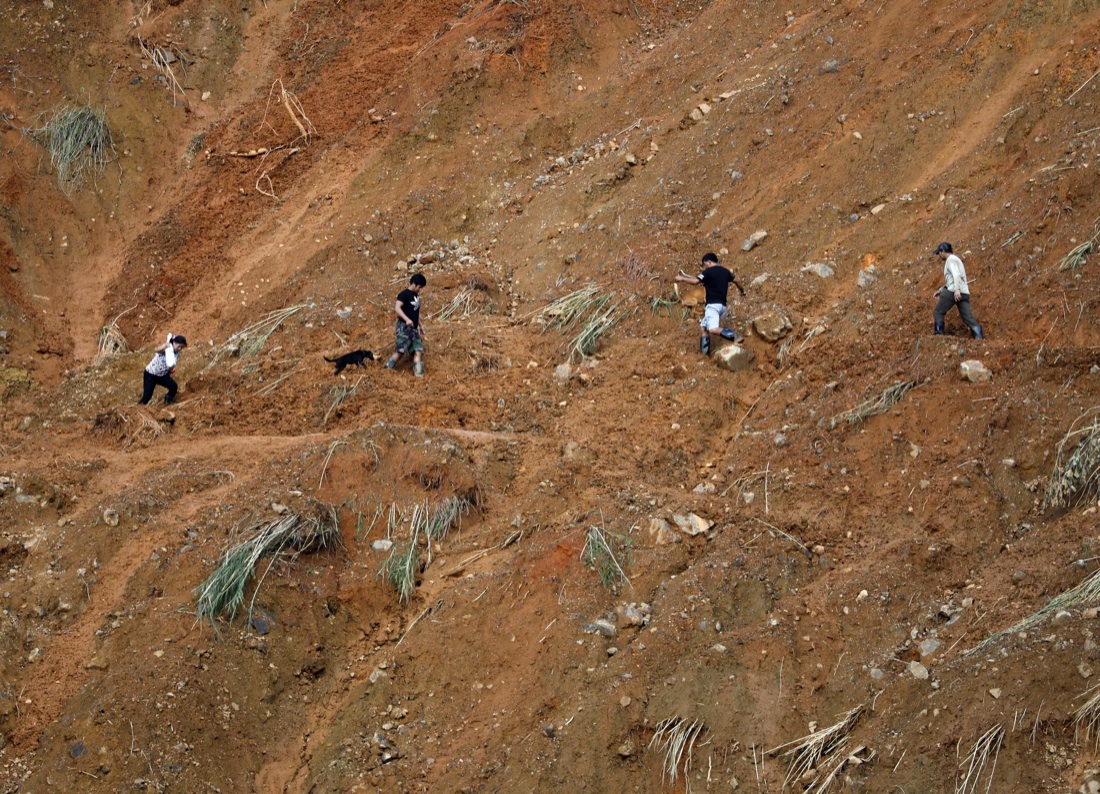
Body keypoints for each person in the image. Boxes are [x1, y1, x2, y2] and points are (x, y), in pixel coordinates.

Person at [673, 252, 746, 355]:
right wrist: (742, 292)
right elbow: (737, 280)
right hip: (722, 306)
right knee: (704, 328)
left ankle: (736, 336)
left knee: (713, 329)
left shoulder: (708, 272)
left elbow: (695, 281)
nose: (704, 267)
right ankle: (705, 354)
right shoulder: (725, 272)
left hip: (712, 305)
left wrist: (682, 278)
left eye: (704, 264)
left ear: (708, 262)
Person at [932, 242, 983, 339]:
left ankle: (938, 336)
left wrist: (956, 290)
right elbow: (953, 279)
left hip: (953, 291)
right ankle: (979, 338)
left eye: (939, 253)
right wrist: (941, 289)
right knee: (968, 318)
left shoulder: (950, 260)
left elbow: (956, 275)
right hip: (964, 293)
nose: (939, 255)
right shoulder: (956, 260)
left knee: (938, 312)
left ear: (943, 251)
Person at [383, 273, 427, 376]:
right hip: (404, 327)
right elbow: (397, 308)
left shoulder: (416, 296)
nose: (420, 290)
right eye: (419, 287)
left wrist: (420, 326)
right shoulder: (404, 294)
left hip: (414, 329)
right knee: (400, 351)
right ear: (414, 284)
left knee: (418, 350)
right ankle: (386, 370)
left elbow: (416, 313)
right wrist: (406, 319)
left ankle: (419, 375)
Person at [139, 333, 187, 405]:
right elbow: (157, 349)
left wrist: (170, 370)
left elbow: (171, 362)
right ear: (174, 343)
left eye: (182, 347)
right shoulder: (167, 349)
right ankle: (137, 410)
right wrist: (165, 345)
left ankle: (167, 402)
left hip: (162, 375)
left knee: (173, 386)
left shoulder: (177, 353)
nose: (180, 349)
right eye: (179, 346)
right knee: (147, 397)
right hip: (151, 374)